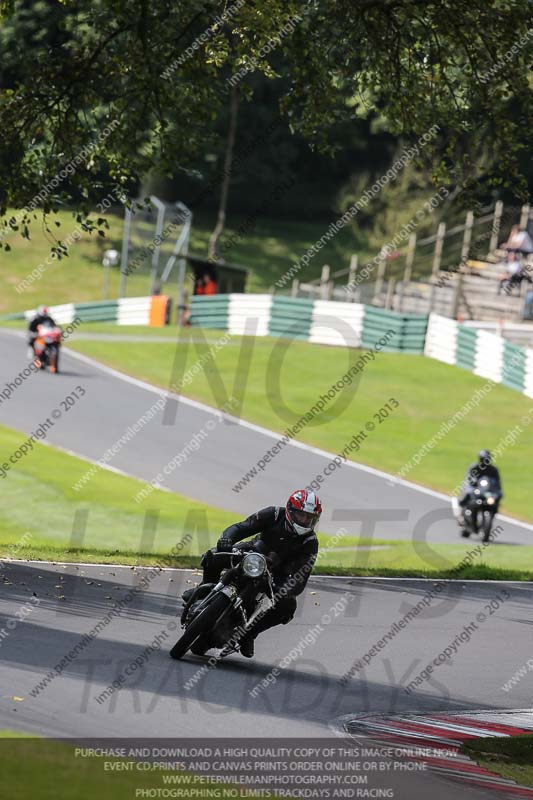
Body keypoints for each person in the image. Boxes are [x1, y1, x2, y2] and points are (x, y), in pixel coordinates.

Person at [182, 490, 322, 658]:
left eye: (310, 518)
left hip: (277, 575)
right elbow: (242, 527)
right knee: (213, 556)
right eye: (302, 515)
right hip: (252, 553)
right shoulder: (274, 514)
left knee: (288, 606)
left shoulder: (310, 542)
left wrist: (285, 589)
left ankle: (249, 633)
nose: (305, 520)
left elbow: (301, 577)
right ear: (291, 510)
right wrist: (227, 538)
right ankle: (204, 590)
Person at [457, 450, 502, 522]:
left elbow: (497, 482)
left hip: (487, 490)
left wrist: (497, 490)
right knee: (467, 493)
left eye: (487, 459)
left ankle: (494, 511)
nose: (485, 461)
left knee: (498, 495)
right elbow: (468, 478)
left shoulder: (493, 470)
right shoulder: (474, 467)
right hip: (475, 488)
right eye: (484, 459)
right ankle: (462, 513)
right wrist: (473, 481)